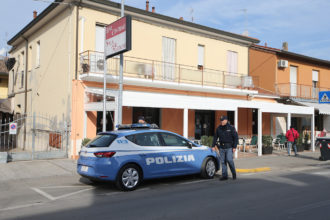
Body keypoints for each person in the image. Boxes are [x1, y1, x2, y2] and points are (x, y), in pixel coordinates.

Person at [212, 115, 238, 181]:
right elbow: (215, 137)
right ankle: (224, 176)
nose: (222, 122)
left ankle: (233, 173)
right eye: (221, 121)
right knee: (223, 162)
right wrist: (213, 145)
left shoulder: (231, 128)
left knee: (229, 160)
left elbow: (235, 137)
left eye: (223, 120)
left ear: (226, 120)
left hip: (229, 147)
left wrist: (234, 147)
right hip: (221, 147)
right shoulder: (219, 128)